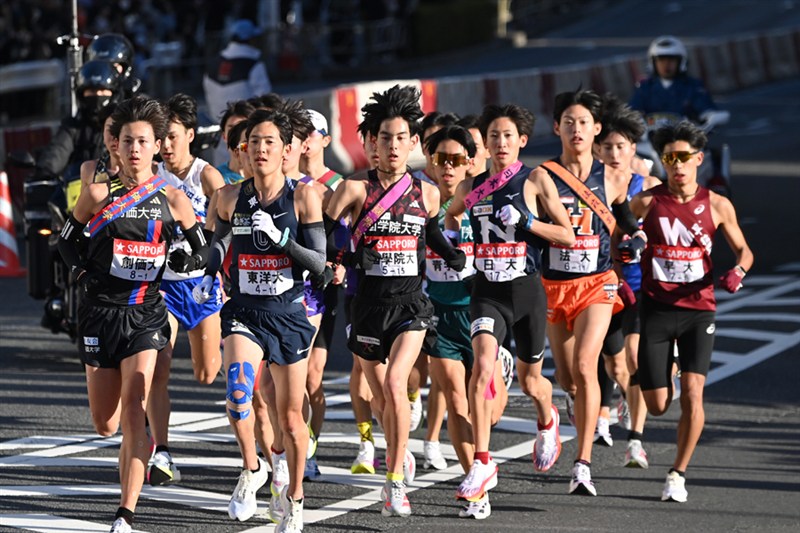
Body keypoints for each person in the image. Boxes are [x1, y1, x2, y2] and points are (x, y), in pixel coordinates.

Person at [57, 95, 207, 533]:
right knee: (105, 424)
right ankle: (129, 447)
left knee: (133, 409)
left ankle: (126, 513)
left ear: (158, 146)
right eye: (128, 141)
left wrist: (185, 261)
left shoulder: (174, 198)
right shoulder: (99, 193)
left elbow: (202, 248)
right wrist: (83, 273)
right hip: (100, 314)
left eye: (144, 141)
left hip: (146, 314)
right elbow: (67, 242)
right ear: (116, 147)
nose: (136, 149)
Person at [324, 85, 466, 517]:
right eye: (384, 137)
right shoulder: (351, 189)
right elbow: (324, 238)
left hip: (410, 306)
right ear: (371, 141)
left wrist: (454, 254)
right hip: (366, 305)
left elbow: (431, 234)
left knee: (393, 384)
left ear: (413, 144)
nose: (392, 146)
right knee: (381, 396)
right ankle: (396, 444)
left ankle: (395, 481)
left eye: (401, 138)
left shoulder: (427, 193)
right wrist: (341, 260)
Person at [193, 108, 326, 531]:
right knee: (238, 391)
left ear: (288, 150)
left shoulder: (304, 197)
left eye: (270, 142)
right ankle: (252, 469)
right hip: (245, 310)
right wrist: (208, 274)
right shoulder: (230, 198)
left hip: (287, 314)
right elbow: (219, 243)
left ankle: (296, 497)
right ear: (244, 150)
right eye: (254, 142)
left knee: (289, 417)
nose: (261, 149)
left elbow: (320, 265)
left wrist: (283, 240)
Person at [445, 103, 574, 506]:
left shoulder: (535, 180)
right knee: (481, 366)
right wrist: (456, 250)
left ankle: (547, 417)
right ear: (483, 143)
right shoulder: (472, 188)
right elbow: (450, 217)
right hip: (487, 291)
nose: (500, 143)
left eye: (507, 136)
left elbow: (567, 236)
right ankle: (483, 462)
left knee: (529, 381)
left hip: (527, 291)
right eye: (492, 137)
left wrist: (527, 224)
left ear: (522, 141)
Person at [630, 121, 753, 502]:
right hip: (656, 309)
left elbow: (745, 251)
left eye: (684, 157)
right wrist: (624, 252)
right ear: (663, 161)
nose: (677, 165)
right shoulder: (647, 201)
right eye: (670, 158)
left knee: (694, 396)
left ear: (698, 159)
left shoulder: (717, 204)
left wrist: (739, 271)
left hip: (699, 311)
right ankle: (663, 365)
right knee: (658, 405)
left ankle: (677, 474)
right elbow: (619, 234)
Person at [539, 89, 649, 497]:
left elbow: (627, 222)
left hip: (598, 283)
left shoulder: (615, 177)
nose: (576, 129)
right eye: (568, 122)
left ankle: (582, 464)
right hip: (555, 285)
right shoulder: (543, 176)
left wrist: (635, 240)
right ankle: (568, 402)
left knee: (588, 366)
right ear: (556, 128)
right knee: (568, 377)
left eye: (584, 122)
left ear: (597, 128)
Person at [424, 124, 510, 519]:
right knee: (456, 398)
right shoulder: (421, 200)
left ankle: (502, 367)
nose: (447, 168)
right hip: (438, 313)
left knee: (488, 412)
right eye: (440, 159)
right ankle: (476, 487)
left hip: (482, 308)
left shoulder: (482, 198)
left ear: (470, 162)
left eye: (456, 160)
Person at [146, 93, 226, 486]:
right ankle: (161, 452)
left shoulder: (207, 177)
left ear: (191, 135)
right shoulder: (151, 178)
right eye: (161, 137)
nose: (166, 145)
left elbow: (227, 230)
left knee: (207, 374)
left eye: (173, 136)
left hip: (202, 287)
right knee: (158, 366)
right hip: (163, 287)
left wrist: (204, 260)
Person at [595, 96, 662, 467]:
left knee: (634, 357)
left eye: (621, 146)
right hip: (603, 283)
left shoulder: (649, 185)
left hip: (641, 284)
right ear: (597, 148)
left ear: (633, 148)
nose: (615, 153)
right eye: (607, 146)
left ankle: (636, 439)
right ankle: (616, 397)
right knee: (616, 365)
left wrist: (640, 241)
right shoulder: (590, 185)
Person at [629, 36, 718, 123]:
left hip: (685, 135)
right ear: (653, 63)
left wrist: (710, 116)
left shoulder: (692, 86)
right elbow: (633, 112)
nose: (666, 65)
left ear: (681, 62)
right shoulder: (645, 88)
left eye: (671, 60)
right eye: (661, 60)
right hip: (652, 136)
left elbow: (706, 108)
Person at [203, 19, 272, 127]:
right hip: (245, 131)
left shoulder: (213, 64)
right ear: (250, 39)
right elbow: (265, 102)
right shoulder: (254, 65)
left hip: (217, 129)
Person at [85, 33, 142, 99]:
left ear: (125, 68)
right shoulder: (84, 97)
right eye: (100, 67)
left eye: (113, 67)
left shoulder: (136, 101)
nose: (106, 73)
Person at [216, 99, 256, 183]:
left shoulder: (268, 174)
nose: (237, 135)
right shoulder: (216, 177)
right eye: (231, 129)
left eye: (243, 127)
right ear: (224, 136)